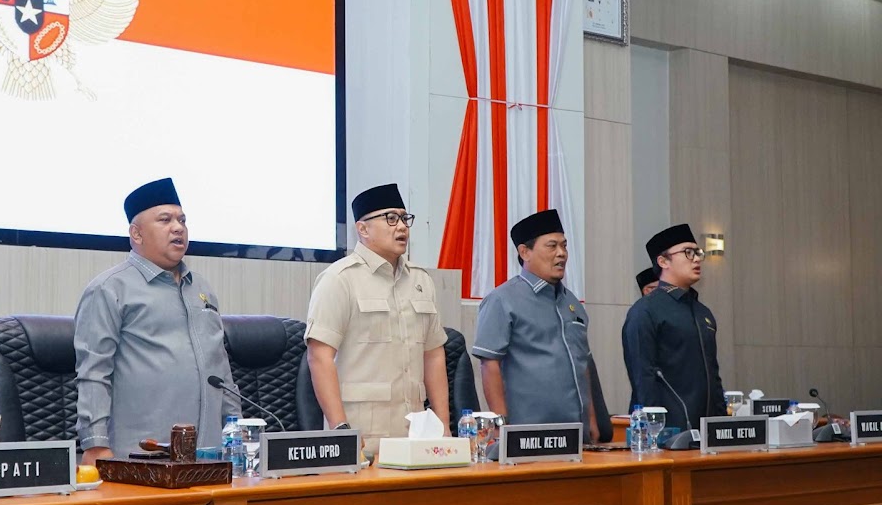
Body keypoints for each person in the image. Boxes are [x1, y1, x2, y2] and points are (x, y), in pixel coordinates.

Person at [73, 177, 238, 464]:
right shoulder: (110, 289)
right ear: (136, 234)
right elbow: (94, 372)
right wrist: (96, 445)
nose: (178, 228)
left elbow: (221, 370)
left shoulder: (202, 289)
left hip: (208, 456)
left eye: (182, 220)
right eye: (165, 220)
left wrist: (237, 432)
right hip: (139, 457)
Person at [304, 183, 449, 456]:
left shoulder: (421, 281)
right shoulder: (339, 280)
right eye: (391, 218)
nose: (402, 227)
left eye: (405, 218)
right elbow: (319, 357)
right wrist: (341, 431)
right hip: (363, 441)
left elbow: (433, 354)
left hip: (416, 440)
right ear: (363, 229)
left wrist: (443, 426)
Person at [471, 209, 598, 440]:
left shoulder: (572, 304)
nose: (561, 253)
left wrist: (592, 420)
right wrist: (500, 426)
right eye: (552, 246)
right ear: (525, 252)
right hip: (527, 433)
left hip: (576, 433)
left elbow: (583, 366)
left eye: (564, 246)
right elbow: (489, 365)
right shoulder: (502, 300)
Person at [622, 223, 725, 432]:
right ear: (663, 261)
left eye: (698, 252)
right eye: (688, 252)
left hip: (706, 432)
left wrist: (721, 425)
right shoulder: (645, 311)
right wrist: (655, 431)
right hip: (667, 433)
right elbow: (644, 379)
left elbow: (713, 377)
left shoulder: (703, 313)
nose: (696, 259)